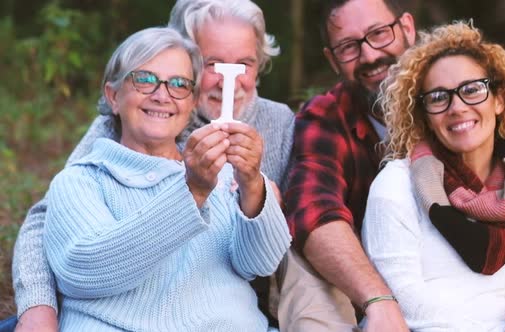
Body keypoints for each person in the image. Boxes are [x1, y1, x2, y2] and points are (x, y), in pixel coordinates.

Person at [280, 0, 505, 331]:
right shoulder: (351, 141)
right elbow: (314, 213)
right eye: (349, 47)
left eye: (379, 34)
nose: (369, 56)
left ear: (407, 28)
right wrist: (378, 301)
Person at [11, 0, 294, 331]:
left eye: (177, 84)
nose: (162, 95)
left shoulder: (274, 128)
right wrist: (37, 305)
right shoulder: (94, 165)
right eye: (212, 63)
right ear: (113, 97)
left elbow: (257, 262)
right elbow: (56, 232)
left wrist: (255, 192)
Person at [362, 21, 505, 332]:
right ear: (426, 116)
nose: (457, 107)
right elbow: (403, 302)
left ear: (499, 100)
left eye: (472, 90)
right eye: (439, 97)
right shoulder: (396, 186)